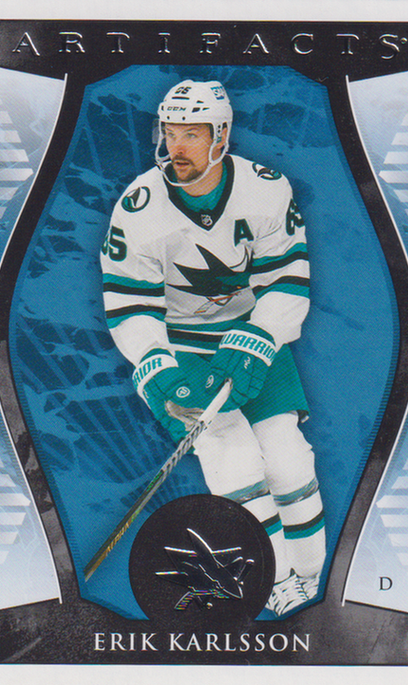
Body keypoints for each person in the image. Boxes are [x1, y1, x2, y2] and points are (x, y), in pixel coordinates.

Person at [100, 79, 326, 615]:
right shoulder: (138, 207)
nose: (176, 147)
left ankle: (312, 578)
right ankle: (272, 581)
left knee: (289, 461)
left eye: (192, 134)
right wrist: (156, 367)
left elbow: (287, 280)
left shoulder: (266, 189)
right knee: (234, 460)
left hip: (254, 338)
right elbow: (129, 305)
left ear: (221, 136)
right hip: (182, 350)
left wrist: (257, 339)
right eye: (170, 132)